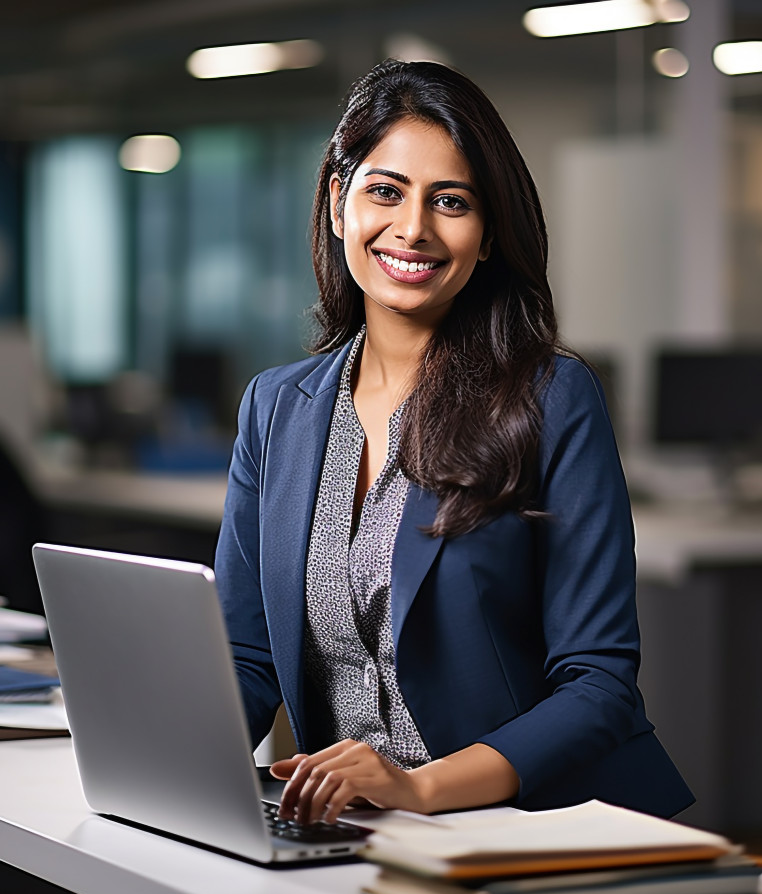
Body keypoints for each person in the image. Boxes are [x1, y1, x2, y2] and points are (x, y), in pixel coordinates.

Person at [215, 59, 693, 826]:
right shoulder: (276, 408)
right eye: (385, 191)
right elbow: (244, 657)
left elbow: (599, 685)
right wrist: (158, 750)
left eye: (451, 201)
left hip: (533, 821)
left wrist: (420, 787)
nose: (413, 228)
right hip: (352, 828)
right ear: (338, 203)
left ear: (489, 232)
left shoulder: (551, 397)